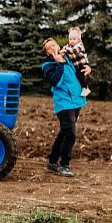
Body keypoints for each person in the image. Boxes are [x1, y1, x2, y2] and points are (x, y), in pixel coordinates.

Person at [41, 37, 89, 177]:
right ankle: (64, 165)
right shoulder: (47, 65)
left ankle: (52, 161)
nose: (53, 48)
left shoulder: (68, 57)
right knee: (70, 134)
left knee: (64, 132)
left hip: (76, 101)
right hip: (64, 103)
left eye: (54, 44)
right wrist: (59, 64)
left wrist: (88, 68)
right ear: (47, 53)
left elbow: (81, 64)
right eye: (49, 48)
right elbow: (55, 81)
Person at [60, 27, 91, 97]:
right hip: (77, 65)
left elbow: (74, 50)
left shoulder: (80, 46)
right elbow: (64, 48)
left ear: (78, 40)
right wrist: (61, 50)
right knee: (77, 76)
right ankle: (83, 88)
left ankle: (85, 88)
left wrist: (65, 50)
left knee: (81, 76)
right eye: (70, 39)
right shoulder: (68, 46)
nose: (72, 41)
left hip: (82, 63)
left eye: (74, 39)